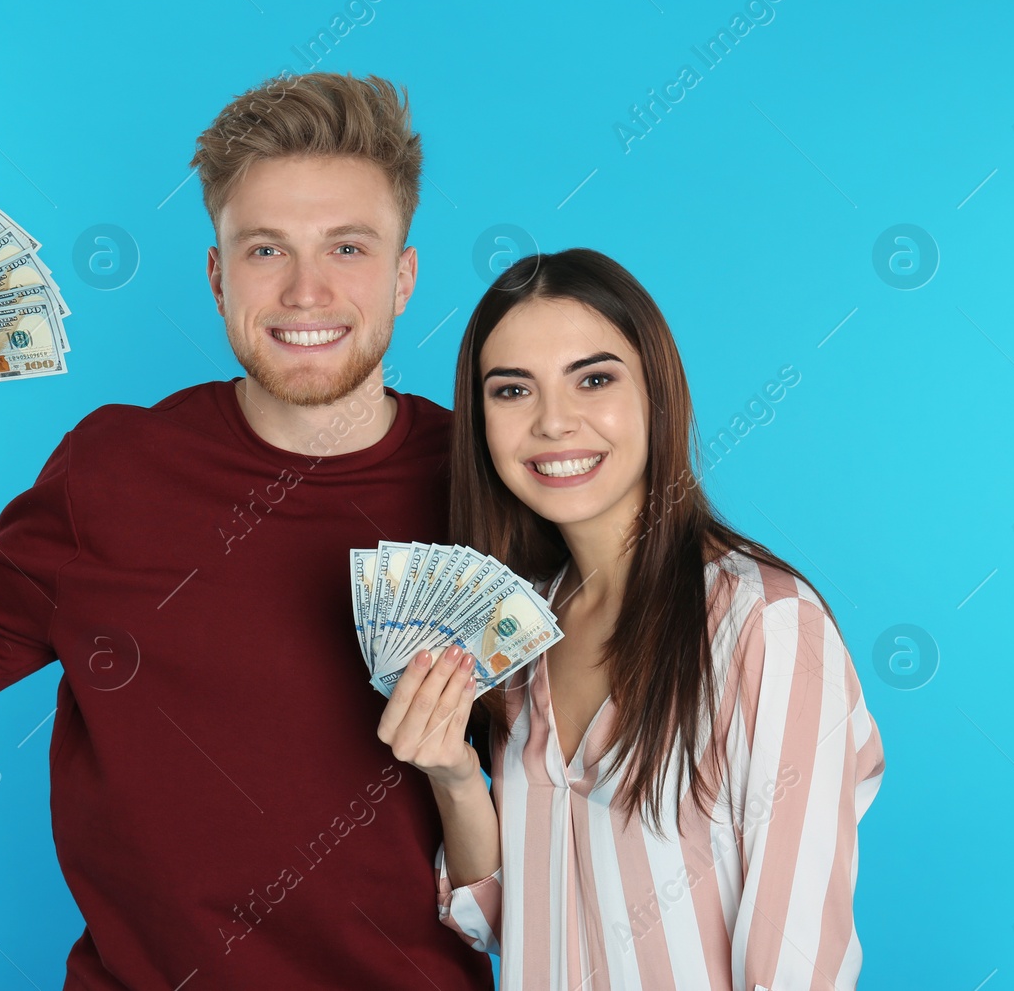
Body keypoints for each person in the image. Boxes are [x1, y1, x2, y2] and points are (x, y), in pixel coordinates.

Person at [0, 72, 495, 990]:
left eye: (348, 246)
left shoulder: (485, 485)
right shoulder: (114, 468)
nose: (307, 290)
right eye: (266, 249)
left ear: (403, 277)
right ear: (218, 276)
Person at [377, 249, 886, 989]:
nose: (554, 421)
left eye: (594, 378)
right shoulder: (517, 633)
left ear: (656, 390)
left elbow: (797, 965)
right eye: (513, 390)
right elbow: (502, 922)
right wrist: (454, 775)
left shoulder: (766, 626)